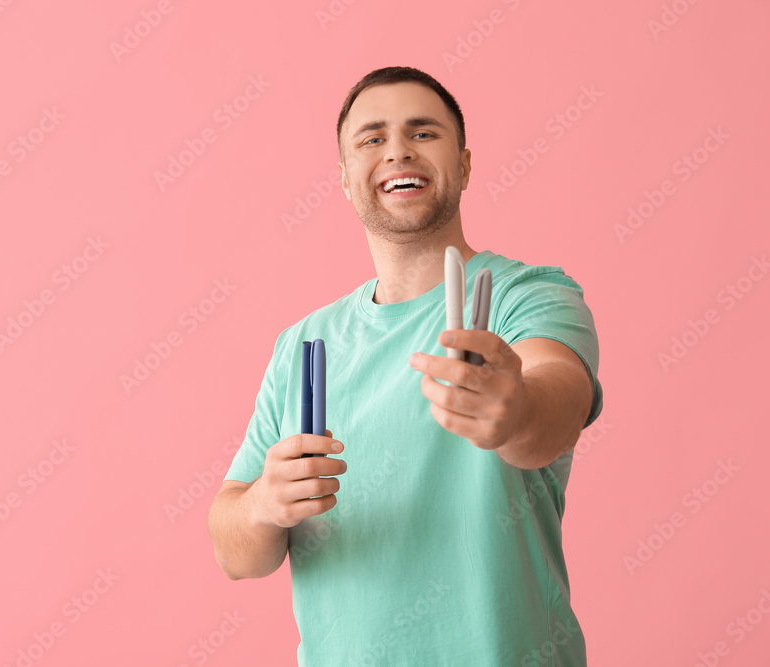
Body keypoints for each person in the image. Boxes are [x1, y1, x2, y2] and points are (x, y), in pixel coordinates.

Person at [206, 65, 603, 666]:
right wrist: (264, 503)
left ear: (465, 164)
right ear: (344, 179)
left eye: (423, 133)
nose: (397, 151)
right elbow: (235, 553)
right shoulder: (303, 345)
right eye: (372, 138)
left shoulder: (528, 296)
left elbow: (558, 403)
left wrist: (513, 409)